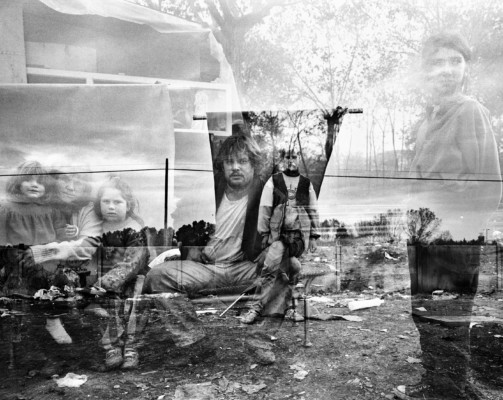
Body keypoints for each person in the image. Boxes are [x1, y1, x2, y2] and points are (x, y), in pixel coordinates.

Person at [394, 32, 502, 400]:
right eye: (438, 62)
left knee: (450, 314)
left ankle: (450, 390)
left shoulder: (470, 111)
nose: (447, 70)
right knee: (425, 311)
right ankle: (438, 383)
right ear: (426, 71)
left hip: (455, 238)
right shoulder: (428, 120)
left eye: (455, 61)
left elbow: (489, 185)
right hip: (422, 236)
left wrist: (463, 234)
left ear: (466, 69)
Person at [143, 135, 265, 297]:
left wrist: (270, 252)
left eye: (242, 161)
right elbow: (181, 216)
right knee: (156, 276)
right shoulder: (207, 187)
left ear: (253, 165)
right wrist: (191, 247)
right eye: (229, 162)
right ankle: (187, 311)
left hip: (245, 268)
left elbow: (288, 234)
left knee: (285, 267)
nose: (235, 167)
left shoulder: (267, 192)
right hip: (206, 268)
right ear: (222, 165)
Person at [240, 148, 321, 324]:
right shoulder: (274, 181)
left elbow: (313, 210)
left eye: (294, 157)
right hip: (279, 236)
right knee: (270, 268)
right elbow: (265, 208)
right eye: (287, 157)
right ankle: (255, 308)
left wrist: (314, 236)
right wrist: (264, 233)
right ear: (283, 160)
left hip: (297, 239)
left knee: (294, 268)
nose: (291, 160)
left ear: (298, 159)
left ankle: (290, 308)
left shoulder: (306, 184)